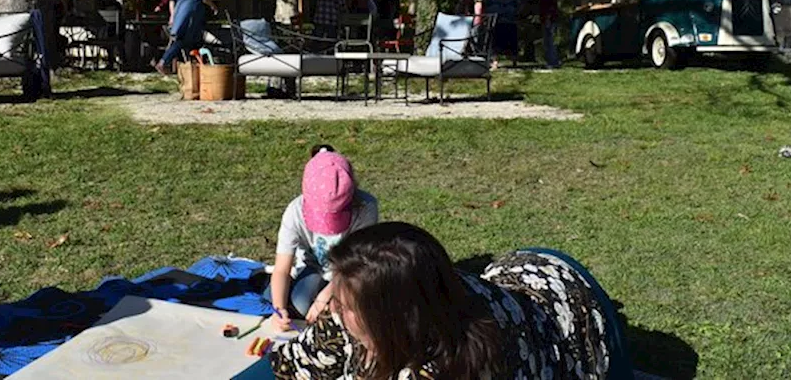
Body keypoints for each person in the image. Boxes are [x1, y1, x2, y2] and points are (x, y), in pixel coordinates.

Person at [272, 222, 629, 380]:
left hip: (570, 301)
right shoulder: (355, 304)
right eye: (337, 295)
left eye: (347, 307)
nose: (333, 309)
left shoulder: (455, 364)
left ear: (395, 321)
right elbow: (290, 364)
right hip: (513, 273)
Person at [267, 146, 379, 333]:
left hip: (349, 272)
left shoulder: (366, 208)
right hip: (314, 269)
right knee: (300, 305)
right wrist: (278, 310)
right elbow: (281, 268)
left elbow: (358, 265)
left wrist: (324, 298)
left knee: (353, 313)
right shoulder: (294, 212)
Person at [152, 0, 206, 75]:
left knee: (181, 40)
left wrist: (172, 15)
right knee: (188, 40)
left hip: (180, 13)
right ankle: (168, 62)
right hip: (192, 13)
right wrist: (213, 6)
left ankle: (169, 62)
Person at [538, 0, 562, 69]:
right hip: (548, 17)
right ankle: (551, 60)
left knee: (549, 40)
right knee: (548, 40)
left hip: (549, 18)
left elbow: (549, 5)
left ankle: (553, 61)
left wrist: (548, 18)